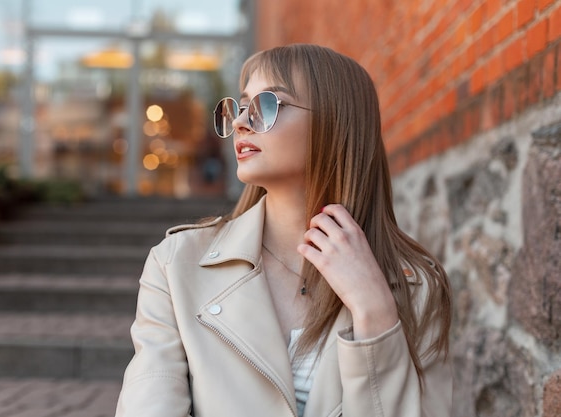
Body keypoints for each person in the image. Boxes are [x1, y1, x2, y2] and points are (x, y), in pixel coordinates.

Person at [115, 44, 452, 417]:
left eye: (268, 105)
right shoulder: (176, 265)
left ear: (335, 123)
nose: (241, 122)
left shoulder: (416, 288)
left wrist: (375, 314)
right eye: (241, 107)